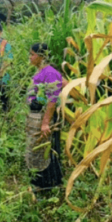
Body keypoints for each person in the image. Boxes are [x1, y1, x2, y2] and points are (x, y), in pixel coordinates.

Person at [26, 43, 63, 189]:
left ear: (41, 56)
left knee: (47, 150)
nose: (30, 57)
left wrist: (45, 123)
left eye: (32, 54)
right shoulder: (39, 71)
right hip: (35, 118)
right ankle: (39, 183)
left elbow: (52, 102)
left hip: (44, 118)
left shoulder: (50, 73)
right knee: (36, 151)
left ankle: (50, 185)